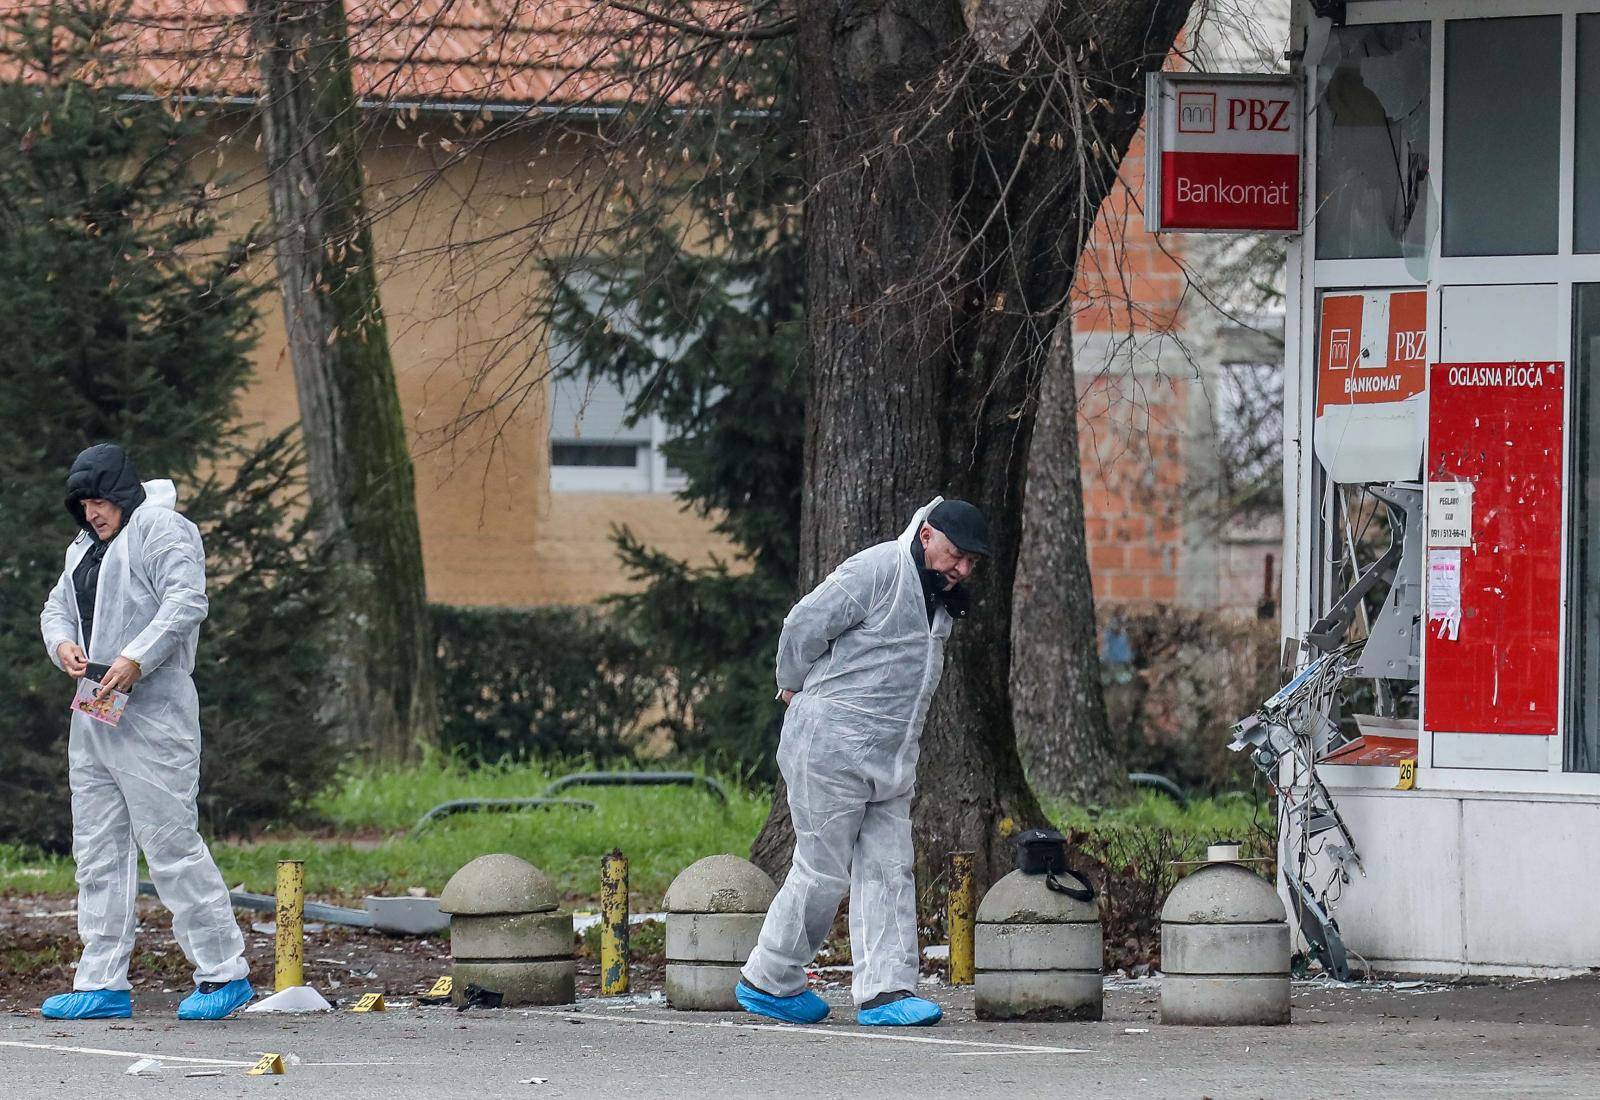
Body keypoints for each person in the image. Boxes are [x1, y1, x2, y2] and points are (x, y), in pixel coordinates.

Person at [738, 496, 988, 1027]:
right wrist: (791, 685)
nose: (963, 569)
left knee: (889, 869)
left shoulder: (936, 595)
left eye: (972, 562)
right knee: (823, 869)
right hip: (829, 746)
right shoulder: (877, 569)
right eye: (957, 555)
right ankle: (769, 977)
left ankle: (886, 990)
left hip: (890, 756)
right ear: (927, 536)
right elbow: (805, 622)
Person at [38, 443, 254, 1021]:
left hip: (154, 716)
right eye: (83, 504)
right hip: (95, 711)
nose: (92, 513)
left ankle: (223, 971)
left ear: (123, 493)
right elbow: (56, 607)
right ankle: (101, 980)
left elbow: (186, 602)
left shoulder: (163, 528)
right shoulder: (83, 547)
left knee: (170, 845)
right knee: (97, 851)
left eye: (100, 501)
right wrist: (63, 644)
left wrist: (134, 659)